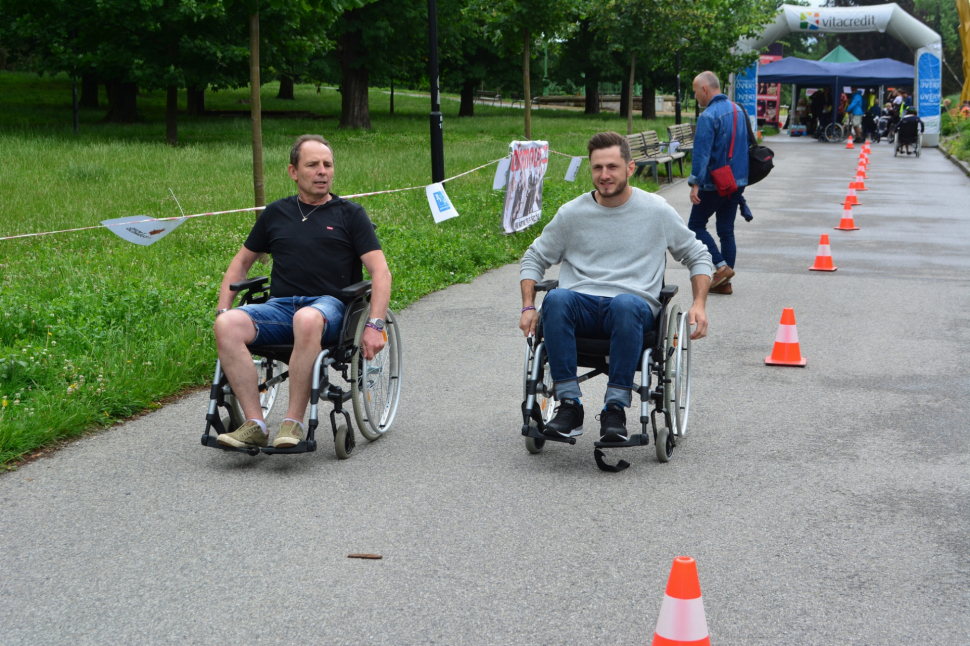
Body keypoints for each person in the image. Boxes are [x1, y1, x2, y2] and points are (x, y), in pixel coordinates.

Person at [518, 132, 712, 442]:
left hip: (631, 308)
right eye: (597, 168)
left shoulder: (656, 211)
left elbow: (697, 254)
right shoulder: (572, 213)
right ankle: (569, 405)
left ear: (630, 168)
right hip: (580, 305)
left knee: (624, 303)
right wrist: (529, 306)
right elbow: (534, 257)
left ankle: (615, 409)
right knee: (554, 299)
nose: (604, 175)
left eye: (612, 167)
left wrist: (699, 303)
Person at [212, 134, 392, 449]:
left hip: (331, 308)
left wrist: (375, 325)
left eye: (328, 165)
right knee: (226, 325)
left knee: (307, 318)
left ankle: (292, 423)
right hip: (281, 307)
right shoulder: (276, 213)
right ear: (293, 172)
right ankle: (254, 423)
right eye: (313, 165)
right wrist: (223, 309)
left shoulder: (350, 214)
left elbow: (381, 273)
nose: (322, 171)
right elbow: (240, 265)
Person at [686, 71, 749, 296]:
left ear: (704, 89)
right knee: (726, 230)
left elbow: (701, 155)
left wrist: (695, 183)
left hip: (715, 183)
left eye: (695, 92)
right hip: (737, 181)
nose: (696, 97)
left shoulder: (708, 116)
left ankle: (721, 267)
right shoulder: (739, 110)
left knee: (695, 226)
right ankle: (725, 284)